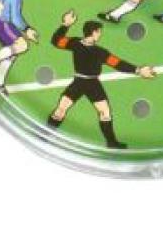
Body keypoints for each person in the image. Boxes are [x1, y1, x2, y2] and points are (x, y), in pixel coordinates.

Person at [48, 10, 156, 149]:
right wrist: (138, 70)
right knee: (68, 109)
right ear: (93, 32)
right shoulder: (98, 51)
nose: (100, 34)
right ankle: (47, 134)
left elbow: (56, 41)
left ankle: (111, 142)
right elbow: (118, 64)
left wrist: (66, 25)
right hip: (84, 83)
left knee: (98, 111)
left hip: (88, 83)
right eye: (99, 32)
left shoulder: (75, 43)